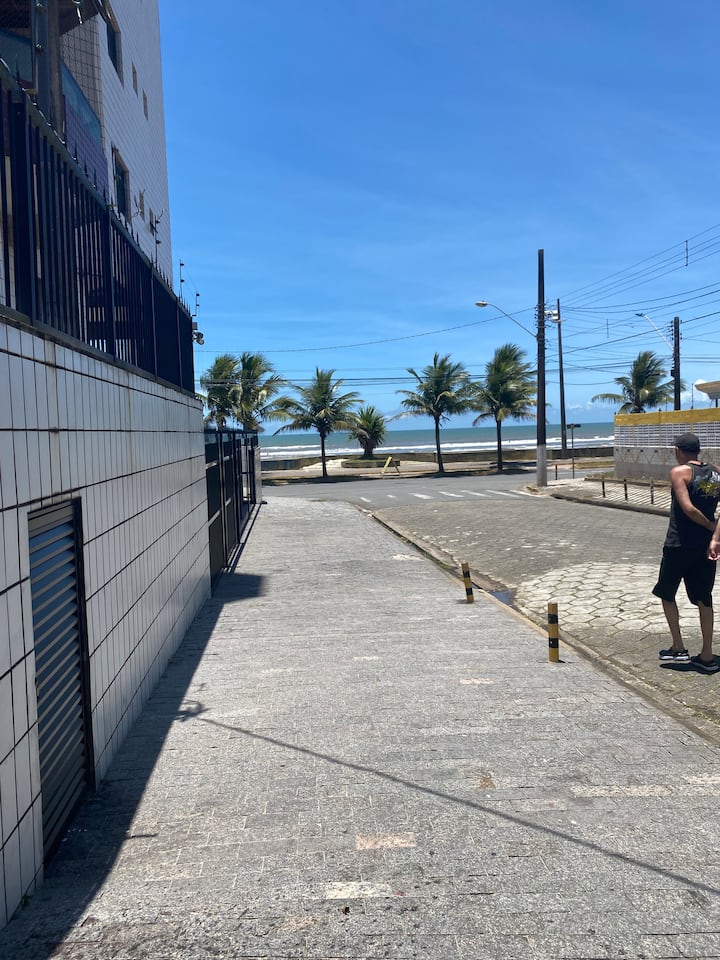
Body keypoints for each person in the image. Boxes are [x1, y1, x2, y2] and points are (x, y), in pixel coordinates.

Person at [653, 432, 720, 672]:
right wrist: (715, 538)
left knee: (666, 592)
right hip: (704, 546)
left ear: (678, 450)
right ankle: (707, 655)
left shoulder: (679, 472)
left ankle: (679, 647)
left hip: (678, 543)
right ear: (698, 451)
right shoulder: (716, 472)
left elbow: (688, 509)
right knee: (704, 598)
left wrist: (711, 527)